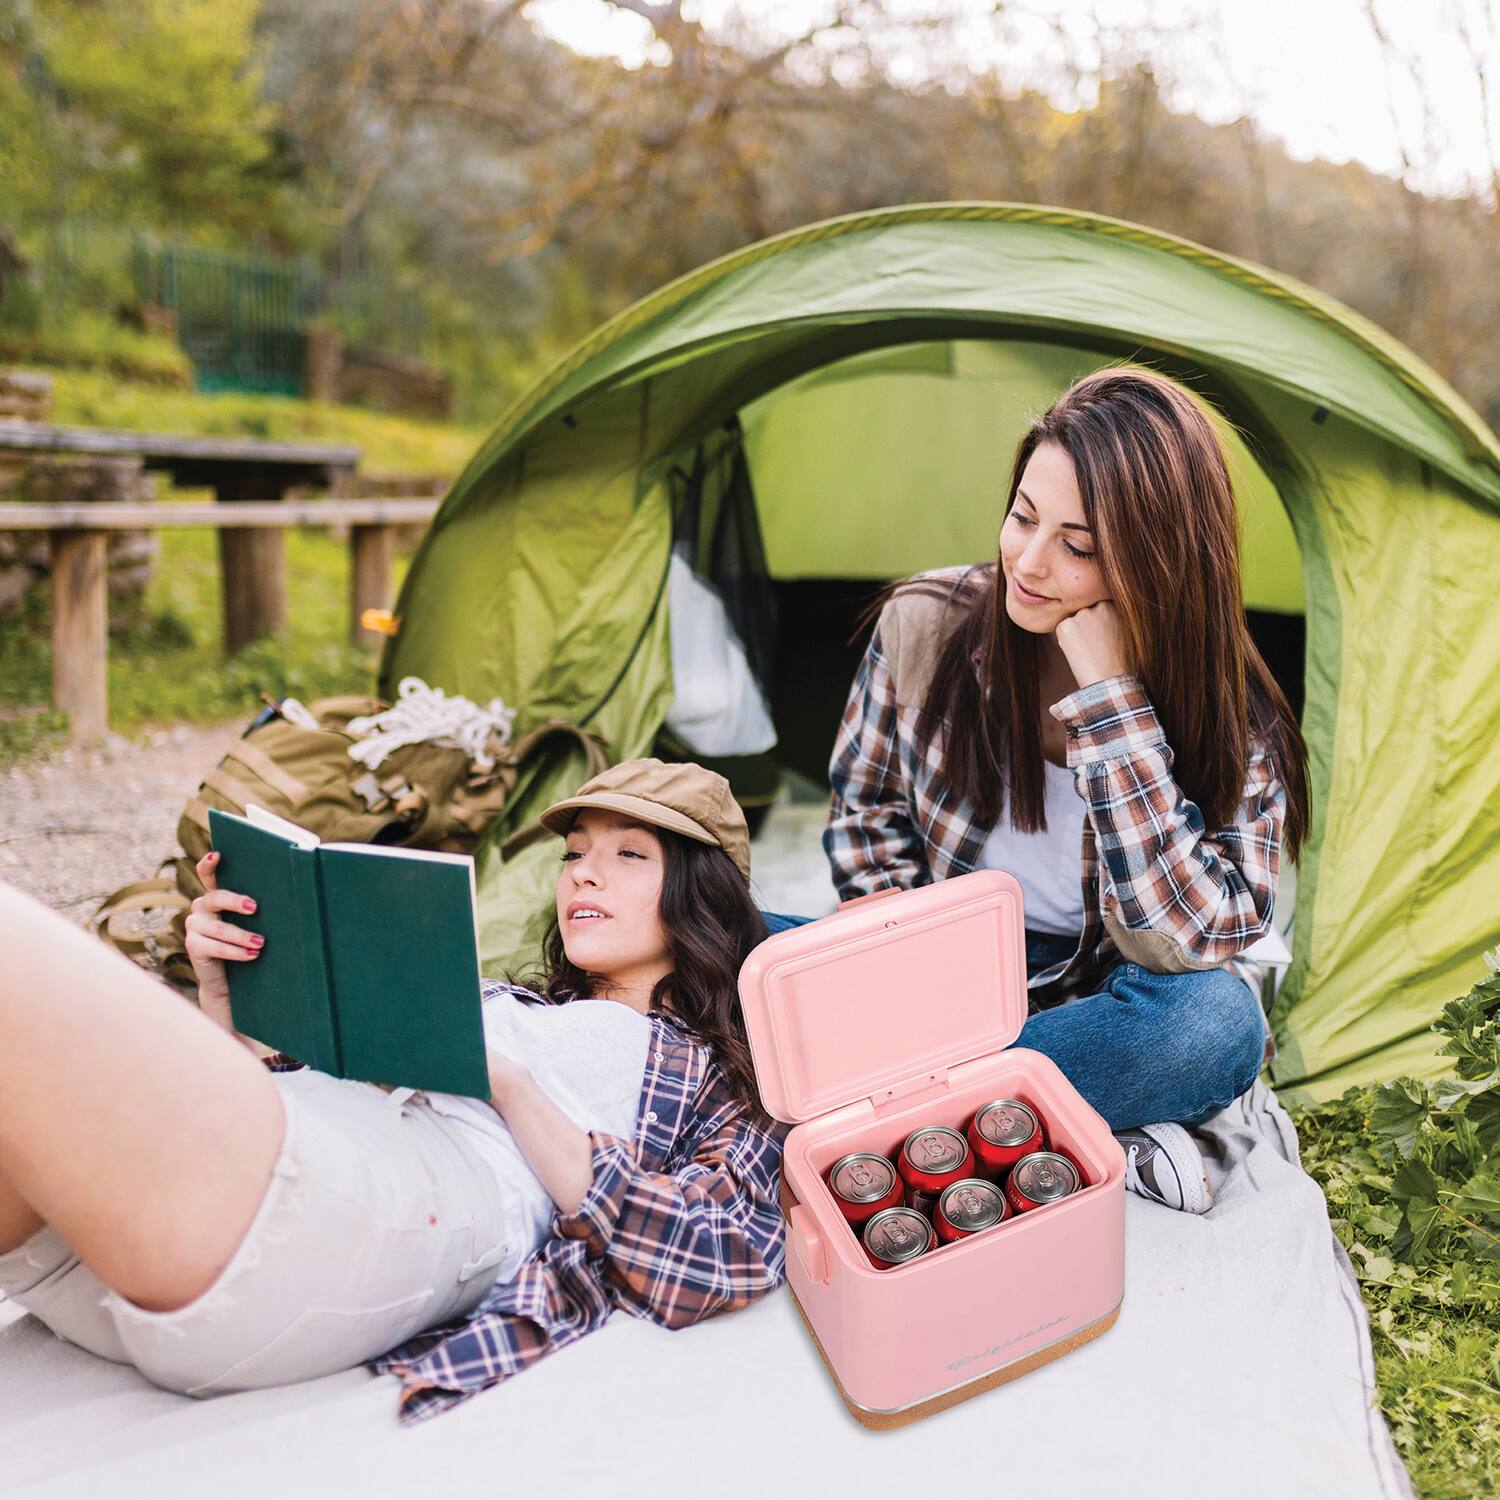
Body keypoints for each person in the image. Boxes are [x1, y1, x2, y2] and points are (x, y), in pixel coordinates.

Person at [0, 758, 787, 1422]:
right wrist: (227, 1005)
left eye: (628, 855)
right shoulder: (519, 1004)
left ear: (700, 894)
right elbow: (292, 1096)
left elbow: (720, 1251)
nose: (583, 869)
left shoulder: (720, 1073)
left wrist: (508, 1087)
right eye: (575, 853)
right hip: (123, 1262)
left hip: (380, 1213)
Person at [822, 366, 1311, 1214]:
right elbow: (866, 823)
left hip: (1105, 998)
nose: (1030, 561)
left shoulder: (1235, 718)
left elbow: (1193, 942)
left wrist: (1114, 711)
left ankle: (882, 1105)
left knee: (1216, 1026)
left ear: (1158, 564)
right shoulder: (924, 625)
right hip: (942, 975)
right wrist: (903, 964)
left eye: (1078, 546)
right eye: (1022, 517)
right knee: (722, 931)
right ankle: (1019, 1116)